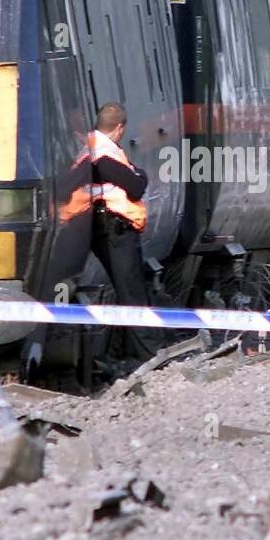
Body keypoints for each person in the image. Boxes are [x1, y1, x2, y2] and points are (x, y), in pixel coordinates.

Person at [87, 102, 158, 362]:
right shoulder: (102, 155)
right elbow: (137, 185)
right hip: (113, 228)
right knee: (132, 291)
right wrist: (138, 175)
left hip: (107, 226)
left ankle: (132, 350)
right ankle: (151, 354)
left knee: (129, 289)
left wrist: (137, 175)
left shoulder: (96, 148)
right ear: (119, 128)